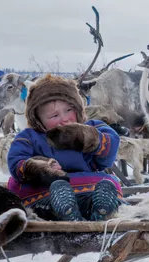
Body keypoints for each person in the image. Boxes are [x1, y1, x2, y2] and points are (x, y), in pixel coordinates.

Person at [7, 74, 123, 221]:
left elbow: (109, 149)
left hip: (87, 186)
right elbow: (16, 162)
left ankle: (99, 209)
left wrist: (86, 137)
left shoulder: (91, 127)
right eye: (54, 115)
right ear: (38, 120)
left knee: (107, 182)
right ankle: (63, 209)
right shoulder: (30, 136)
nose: (64, 119)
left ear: (79, 108)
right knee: (53, 191)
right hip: (47, 190)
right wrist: (42, 167)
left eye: (69, 110)